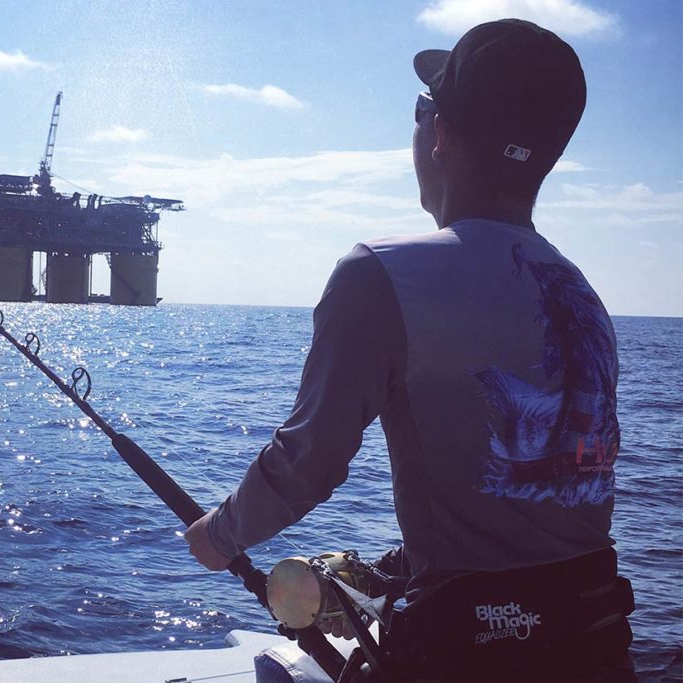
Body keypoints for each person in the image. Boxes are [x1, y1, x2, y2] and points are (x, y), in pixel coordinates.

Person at [184, 18, 635, 682]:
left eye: (422, 111)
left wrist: (217, 535)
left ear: (441, 134)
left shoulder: (379, 274)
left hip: (465, 656)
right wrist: (390, 571)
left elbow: (309, 463)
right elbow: (538, 518)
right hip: (596, 645)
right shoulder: (582, 296)